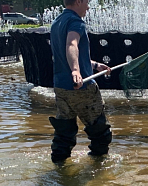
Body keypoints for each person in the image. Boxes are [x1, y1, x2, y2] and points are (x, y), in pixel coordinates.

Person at [49, 0, 113, 163]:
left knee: (64, 132)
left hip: (61, 87)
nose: (88, 6)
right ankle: (98, 173)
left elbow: (67, 53)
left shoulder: (57, 22)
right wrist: (76, 71)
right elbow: (72, 45)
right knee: (100, 133)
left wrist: (95, 65)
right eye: (86, 2)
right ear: (78, 1)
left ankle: (59, 168)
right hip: (82, 87)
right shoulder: (75, 22)